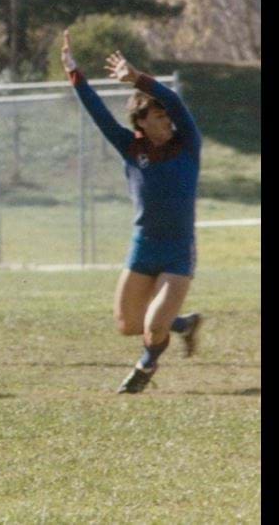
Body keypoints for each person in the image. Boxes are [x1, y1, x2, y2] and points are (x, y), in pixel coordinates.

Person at [61, 32, 203, 393]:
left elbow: (172, 99)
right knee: (127, 324)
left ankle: (146, 365)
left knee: (154, 325)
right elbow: (98, 114)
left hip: (177, 248)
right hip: (143, 244)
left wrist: (137, 77)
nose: (168, 121)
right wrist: (75, 73)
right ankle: (183, 324)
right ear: (140, 122)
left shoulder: (188, 145)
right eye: (158, 116)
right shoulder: (131, 147)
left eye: (167, 116)